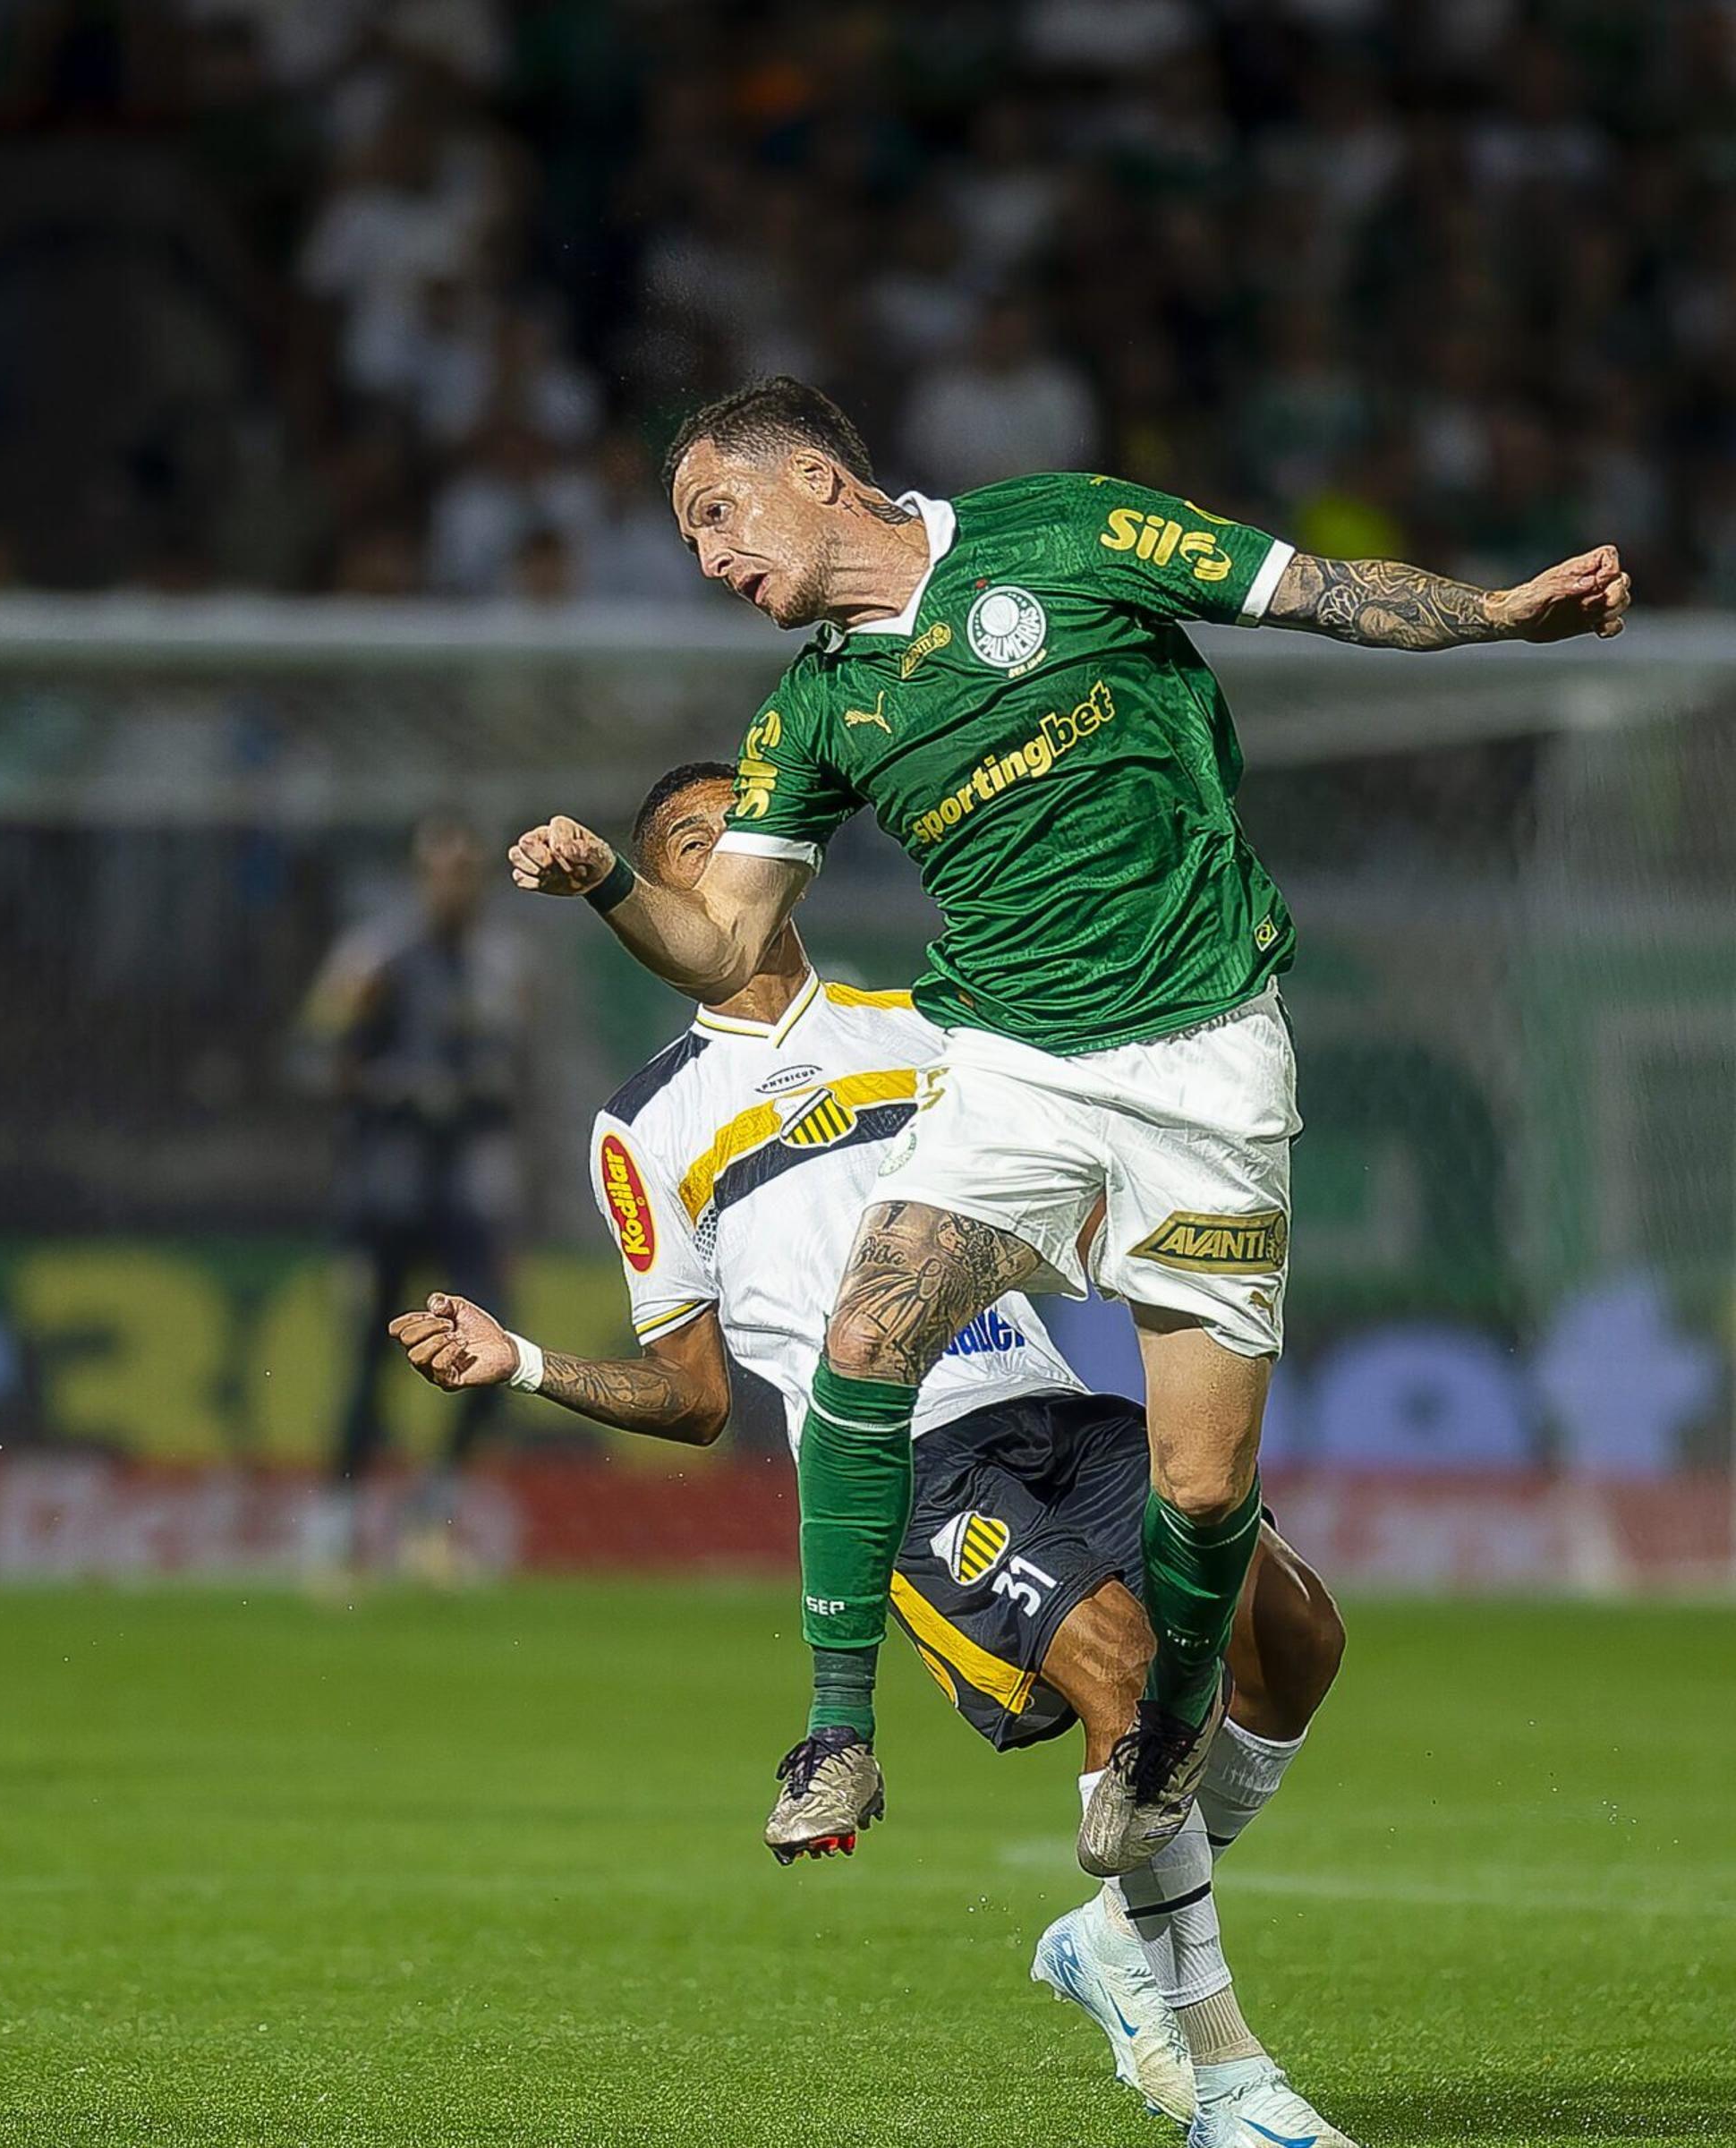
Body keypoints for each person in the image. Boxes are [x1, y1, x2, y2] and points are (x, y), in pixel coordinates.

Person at [507, 376, 1624, 1880]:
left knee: (1208, 1492)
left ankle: (1171, 1741)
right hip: (1017, 1065)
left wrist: (1497, 620)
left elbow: (1319, 591)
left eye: (716, 514)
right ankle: (838, 1732)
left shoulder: (1068, 530)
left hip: (1207, 1063)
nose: (706, 557)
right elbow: (719, 950)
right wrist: (604, 880)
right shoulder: (815, 716)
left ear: (818, 480)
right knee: (864, 1339)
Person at [404, 763, 1355, 2148]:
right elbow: (694, 1396)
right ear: (670, 894)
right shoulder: (646, 1120)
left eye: (749, 822)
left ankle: (1111, 1932)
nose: (731, 845)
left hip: (1049, 1394)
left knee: (1298, 1638)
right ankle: (1231, 2089)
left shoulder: (928, 1024)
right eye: (692, 838)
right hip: (905, 1466)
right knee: (1132, 1681)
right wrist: (530, 1362)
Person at [291, 816, 536, 1584]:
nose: (452, 885)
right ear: (418, 875)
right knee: (370, 1354)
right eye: (440, 869)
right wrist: (393, 1089)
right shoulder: (372, 958)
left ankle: (433, 1511)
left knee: (497, 1346)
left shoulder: (507, 964)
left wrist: (488, 1098)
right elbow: (311, 1057)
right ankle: (336, 1524)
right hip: (386, 1184)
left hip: (469, 1184)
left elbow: (526, 1073)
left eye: (465, 870)